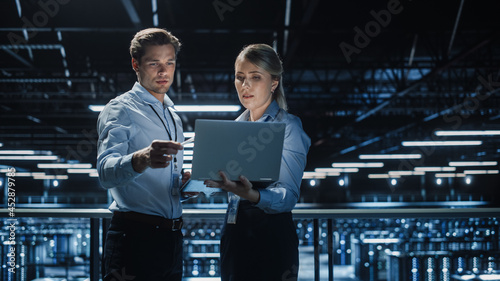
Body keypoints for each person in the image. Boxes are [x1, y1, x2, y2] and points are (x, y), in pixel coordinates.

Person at [205, 44, 311, 281]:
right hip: (234, 233)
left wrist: (252, 195)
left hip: (271, 237)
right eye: (240, 77)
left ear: (274, 82)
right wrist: (196, 183)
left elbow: (289, 196)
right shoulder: (233, 129)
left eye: (255, 77)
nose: (245, 85)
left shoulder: (288, 127)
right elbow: (221, 184)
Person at [96, 28, 187, 281]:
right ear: (136, 64)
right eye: (154, 63)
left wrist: (182, 186)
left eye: (169, 62)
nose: (163, 71)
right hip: (135, 239)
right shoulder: (120, 109)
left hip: (172, 240)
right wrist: (142, 158)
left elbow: (156, 183)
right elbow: (105, 172)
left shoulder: (173, 116)